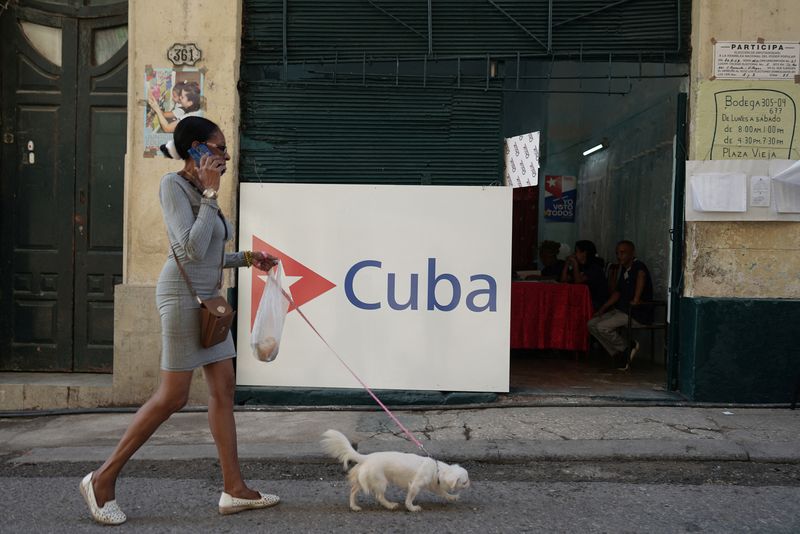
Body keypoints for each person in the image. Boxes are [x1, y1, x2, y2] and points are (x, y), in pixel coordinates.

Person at [79, 117, 280, 525]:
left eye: (226, 149)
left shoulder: (200, 191)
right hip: (180, 297)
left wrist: (245, 259)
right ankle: (102, 479)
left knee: (223, 387)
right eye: (219, 147)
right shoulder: (174, 187)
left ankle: (234, 489)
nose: (226, 155)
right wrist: (209, 194)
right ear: (197, 150)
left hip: (208, 300)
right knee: (173, 397)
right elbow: (187, 250)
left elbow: (207, 253)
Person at [587, 240, 653, 369]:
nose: (619, 256)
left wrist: (636, 298)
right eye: (617, 253)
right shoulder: (624, 269)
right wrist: (602, 309)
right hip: (621, 310)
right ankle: (618, 353)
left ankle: (627, 348)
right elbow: (617, 293)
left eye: (623, 253)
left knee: (601, 327)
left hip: (635, 313)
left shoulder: (638, 266)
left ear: (632, 253)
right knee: (591, 324)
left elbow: (641, 276)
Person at [560, 239, 609, 312]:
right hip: (582, 299)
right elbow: (563, 281)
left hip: (595, 302)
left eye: (577, 251)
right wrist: (567, 264)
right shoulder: (581, 266)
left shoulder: (595, 267)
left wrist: (575, 264)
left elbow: (578, 282)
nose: (575, 254)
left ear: (584, 253)